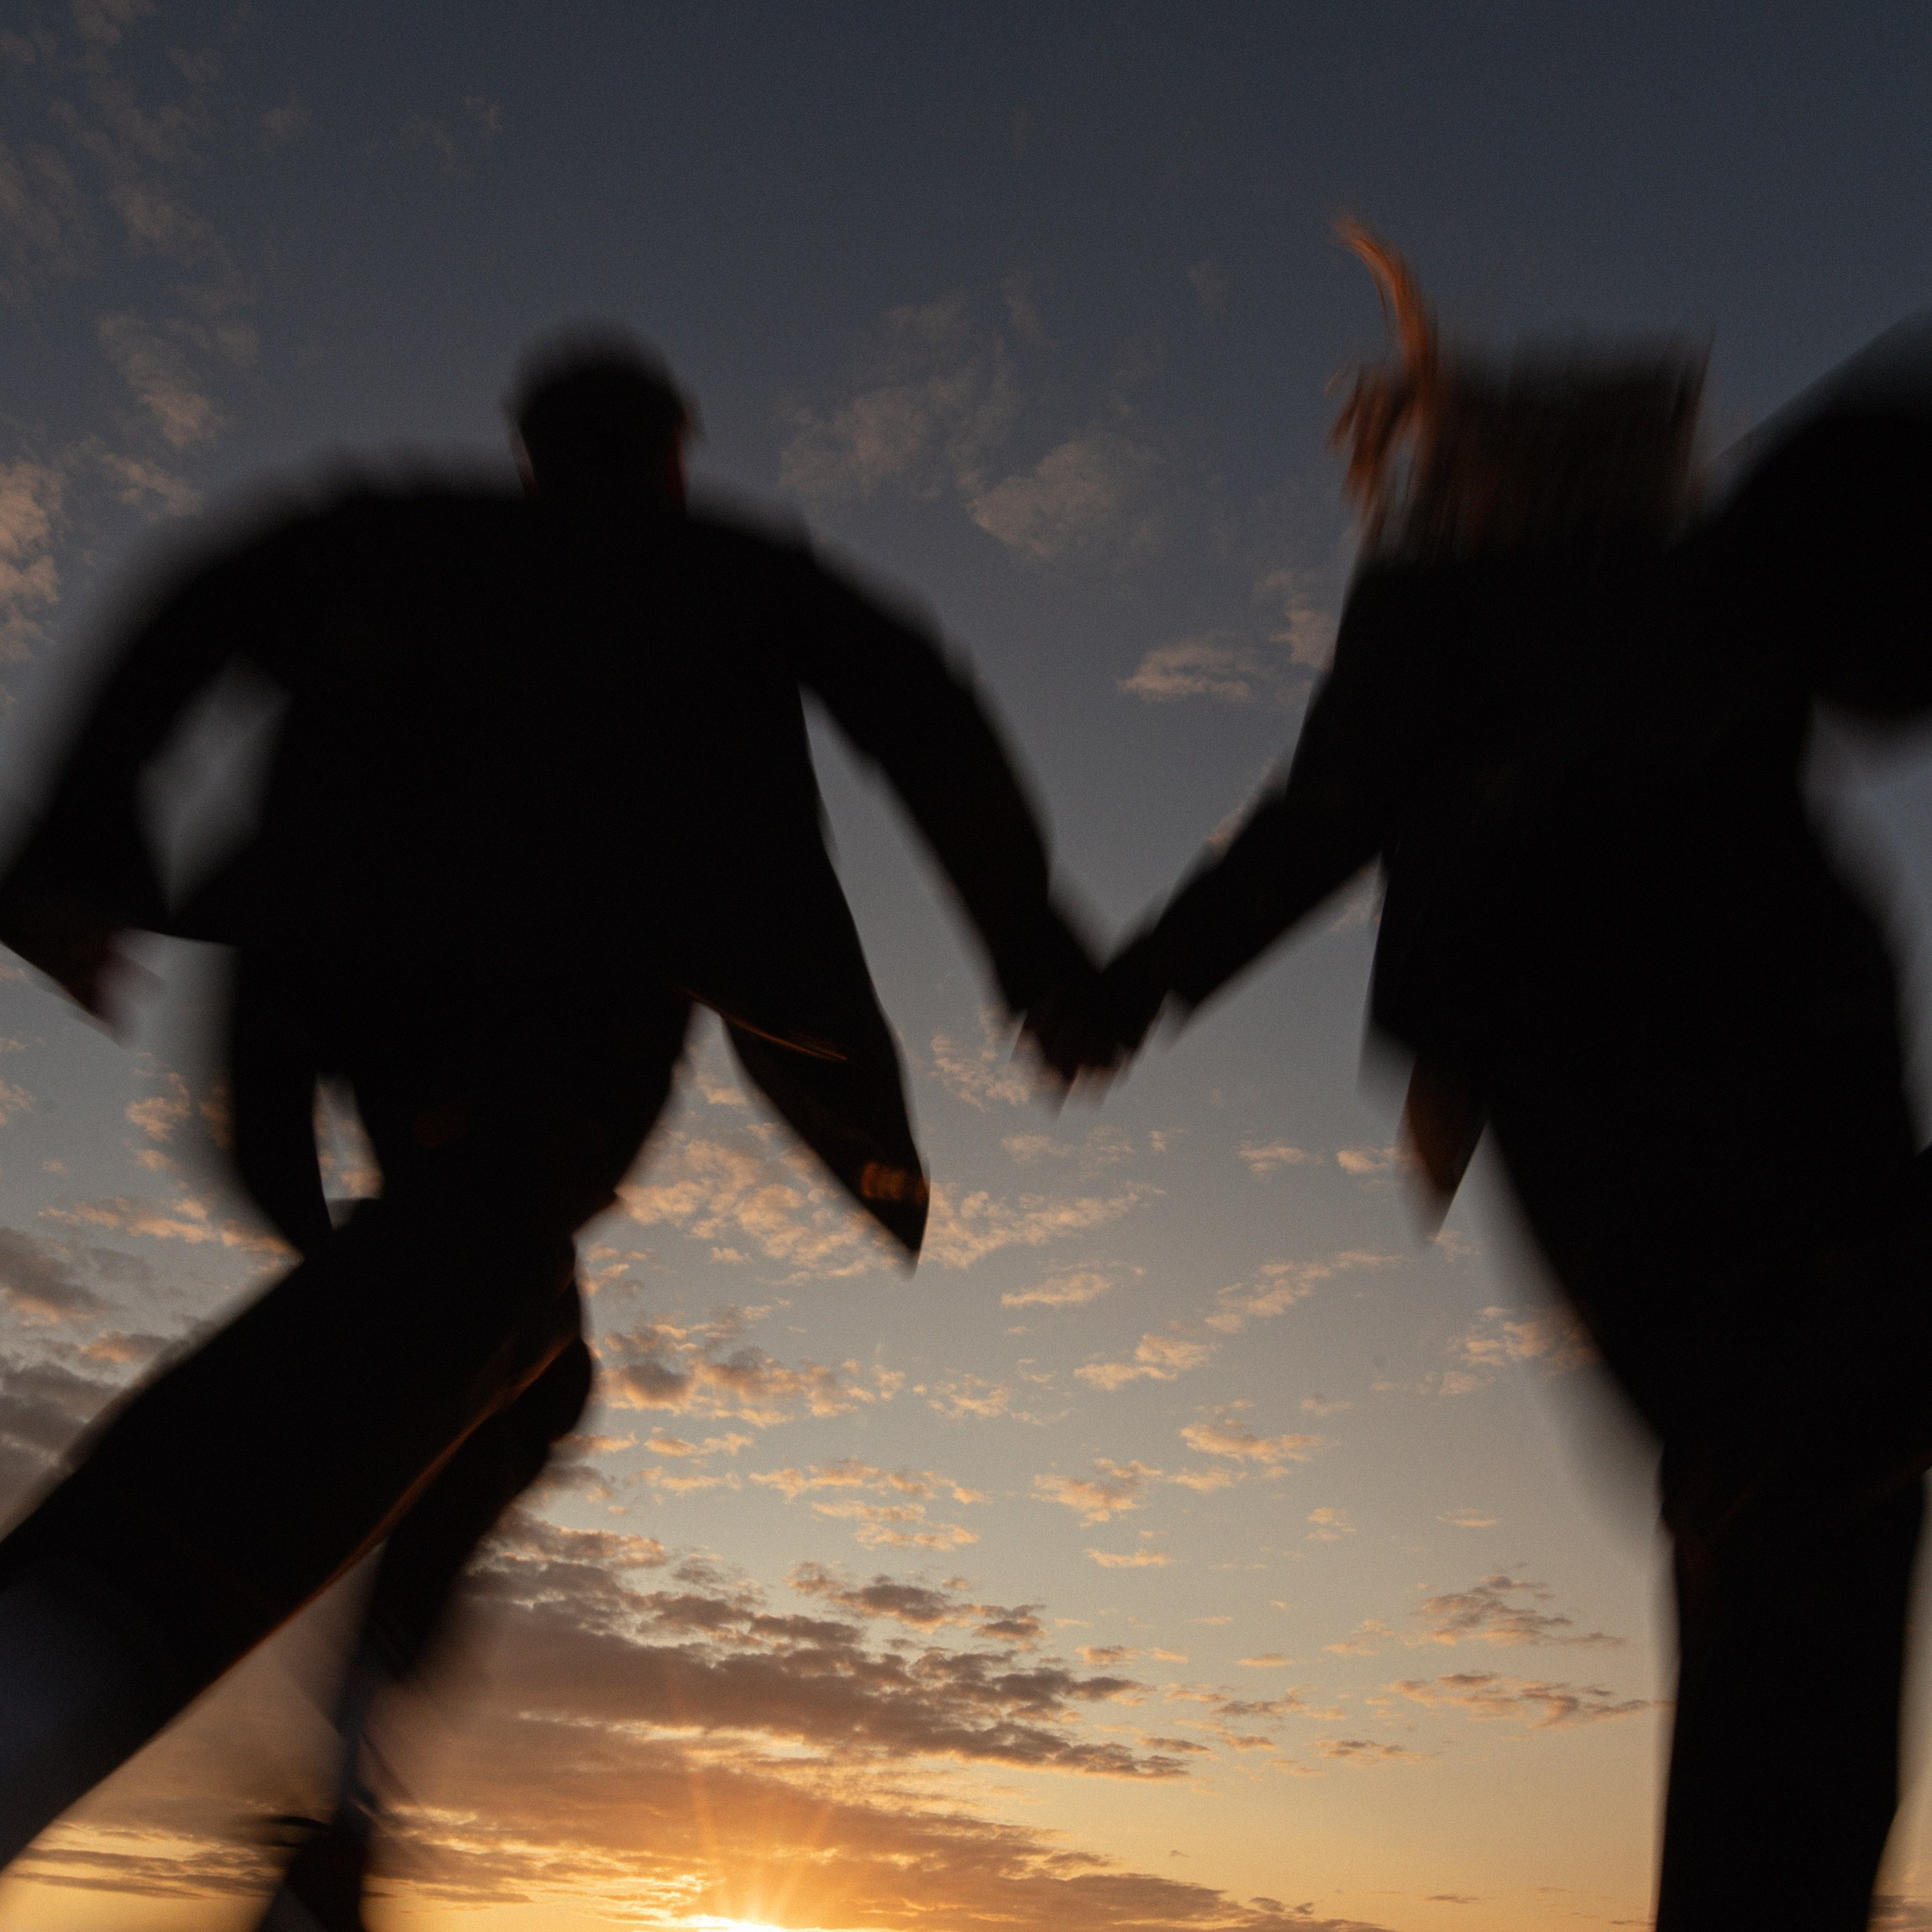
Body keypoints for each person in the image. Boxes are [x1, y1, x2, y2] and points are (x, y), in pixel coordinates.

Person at [0, 333, 1095, 1929]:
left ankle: (343, 1782)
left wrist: (82, 838)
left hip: (365, 1013)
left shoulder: (397, 534)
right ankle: (63, 1648)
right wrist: (1036, 948)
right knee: (481, 1279)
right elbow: (922, 709)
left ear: (528, 446)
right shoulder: (718, 571)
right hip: (561, 1014)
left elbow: (202, 597)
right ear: (668, 450)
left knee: (524, 1356)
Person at [1035, 233, 1932, 1931]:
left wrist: (1127, 987)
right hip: (1772, 1048)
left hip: (1603, 1058)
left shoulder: (1521, 599)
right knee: (1792, 1497)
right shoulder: (1693, 585)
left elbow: (1325, 816)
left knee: (1778, 1490)